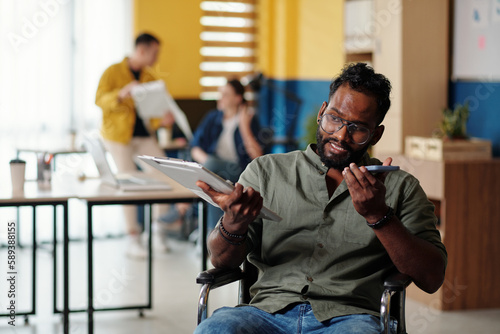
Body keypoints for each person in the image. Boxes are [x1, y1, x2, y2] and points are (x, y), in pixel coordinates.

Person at [194, 63, 447, 334]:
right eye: (334, 118)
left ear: (376, 134)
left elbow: (431, 277)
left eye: (357, 128)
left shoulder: (401, 188)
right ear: (321, 112)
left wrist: (379, 217)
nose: (340, 135)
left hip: (350, 318)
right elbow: (221, 261)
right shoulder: (266, 171)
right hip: (266, 312)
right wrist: (233, 224)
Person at [95, 33, 180, 258]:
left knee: (165, 174)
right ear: (141, 50)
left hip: (143, 136)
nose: (156, 57)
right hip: (118, 137)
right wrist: (121, 94)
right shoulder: (113, 72)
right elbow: (100, 100)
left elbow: (151, 113)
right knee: (126, 181)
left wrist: (163, 120)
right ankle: (132, 237)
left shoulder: (150, 77)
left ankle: (157, 230)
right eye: (154, 52)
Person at [189, 79, 264, 233]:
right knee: (213, 175)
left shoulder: (249, 119)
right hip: (213, 168)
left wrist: (244, 126)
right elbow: (194, 147)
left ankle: (207, 232)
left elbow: (258, 157)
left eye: (225, 94)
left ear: (238, 98)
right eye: (220, 94)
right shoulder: (213, 117)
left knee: (211, 176)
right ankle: (213, 232)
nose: (220, 98)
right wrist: (208, 165)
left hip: (238, 171)